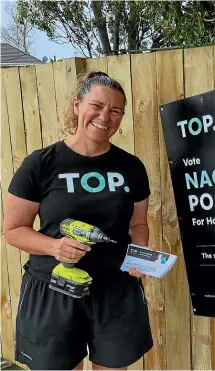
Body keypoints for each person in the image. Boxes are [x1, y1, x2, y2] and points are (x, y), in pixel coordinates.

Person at [4, 71, 154, 370]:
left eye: (115, 111)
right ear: (77, 106)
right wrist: (54, 247)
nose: (105, 116)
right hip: (54, 288)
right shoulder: (41, 163)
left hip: (115, 290)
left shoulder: (131, 167)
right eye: (96, 106)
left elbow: (138, 224)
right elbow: (12, 230)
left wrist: (142, 252)